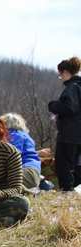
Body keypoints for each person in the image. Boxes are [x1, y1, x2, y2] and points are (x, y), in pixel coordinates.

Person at [48, 56, 81, 191]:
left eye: (60, 74)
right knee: (77, 165)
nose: (60, 77)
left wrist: (53, 105)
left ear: (66, 72)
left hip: (69, 134)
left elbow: (69, 108)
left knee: (63, 165)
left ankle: (67, 191)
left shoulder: (72, 88)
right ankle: (73, 189)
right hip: (78, 135)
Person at [0, 113, 42, 191]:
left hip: (26, 171)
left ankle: (27, 191)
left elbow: (11, 155)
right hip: (33, 171)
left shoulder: (14, 136)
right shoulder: (24, 135)